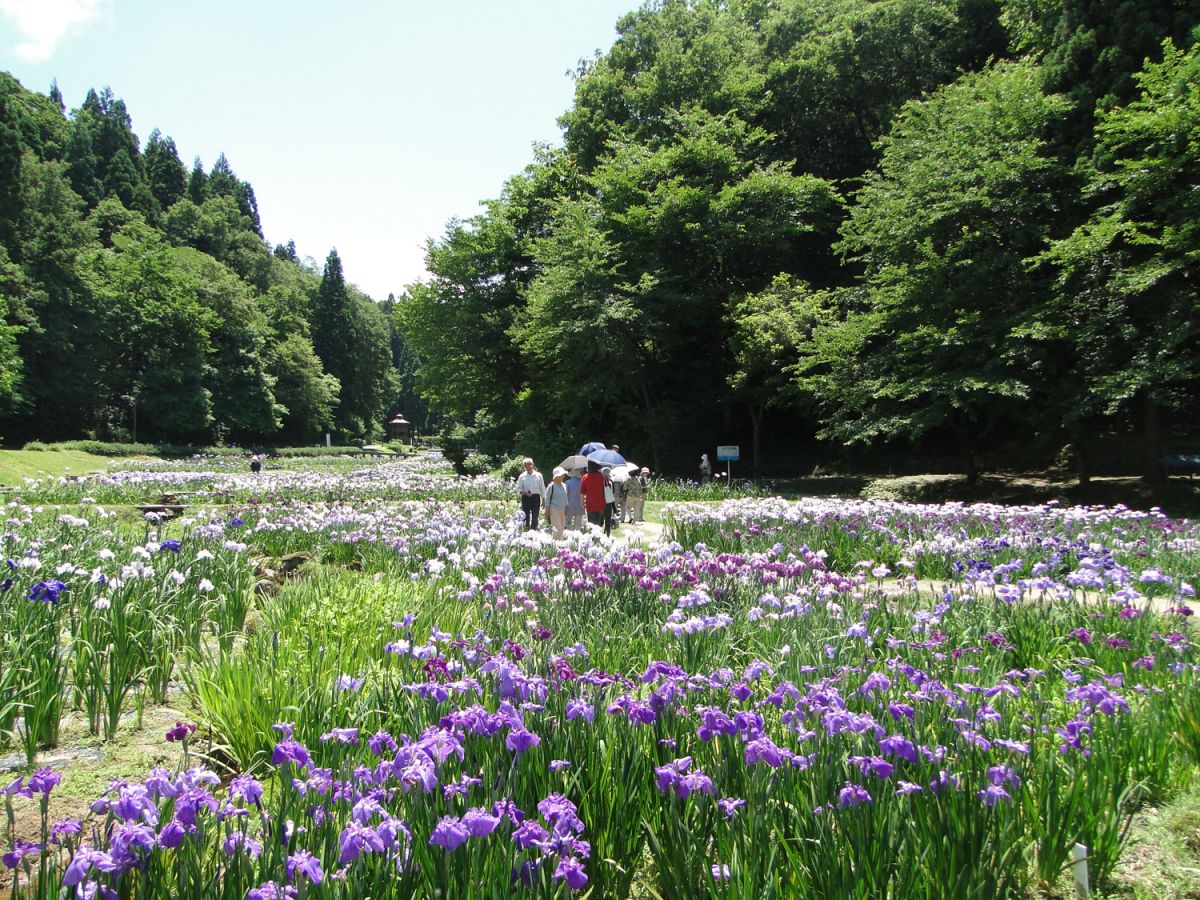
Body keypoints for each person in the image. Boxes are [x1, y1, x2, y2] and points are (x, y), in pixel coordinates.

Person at [515, 457, 546, 531]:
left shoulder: (539, 475)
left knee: (535, 516)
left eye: (529, 465)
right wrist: (524, 493)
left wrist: (544, 500)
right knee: (525, 516)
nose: (528, 467)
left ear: (532, 465)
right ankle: (526, 530)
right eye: (526, 465)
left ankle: (533, 531)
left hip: (536, 497)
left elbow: (542, 488)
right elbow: (518, 489)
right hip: (526, 497)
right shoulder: (522, 476)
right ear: (524, 466)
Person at [580, 464, 608, 531]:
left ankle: (593, 539)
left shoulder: (585, 477)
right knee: (598, 523)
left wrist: (582, 502)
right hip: (601, 503)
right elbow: (607, 487)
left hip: (590, 504)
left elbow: (582, 492)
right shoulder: (602, 476)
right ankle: (597, 537)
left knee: (591, 524)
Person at [544, 467, 569, 538]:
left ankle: (560, 543)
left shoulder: (564, 485)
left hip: (562, 510)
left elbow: (565, 497)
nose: (563, 477)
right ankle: (557, 544)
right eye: (561, 475)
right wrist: (547, 510)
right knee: (557, 529)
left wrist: (567, 506)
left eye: (563, 475)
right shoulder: (551, 486)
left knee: (562, 528)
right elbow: (547, 499)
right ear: (556, 476)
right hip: (554, 510)